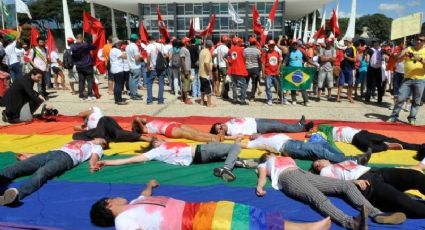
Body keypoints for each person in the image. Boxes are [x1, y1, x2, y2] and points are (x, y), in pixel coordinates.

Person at [90, 179, 332, 229]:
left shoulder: (135, 202)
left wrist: (150, 185)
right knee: (245, 225)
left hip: (199, 210)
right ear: (108, 206)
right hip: (193, 222)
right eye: (109, 199)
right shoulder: (123, 220)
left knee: (248, 213)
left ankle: (307, 228)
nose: (114, 197)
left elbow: (144, 194)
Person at [256, 153, 406, 229]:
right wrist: (260, 186)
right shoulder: (265, 163)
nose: (271, 153)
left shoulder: (284, 157)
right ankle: (351, 223)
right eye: (269, 153)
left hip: (303, 173)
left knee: (346, 185)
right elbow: (262, 176)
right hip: (287, 177)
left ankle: (376, 213)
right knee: (316, 196)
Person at [0, 138, 107, 205]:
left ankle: (16, 196)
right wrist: (30, 155)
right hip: (52, 153)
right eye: (101, 139)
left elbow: (94, 157)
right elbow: (58, 148)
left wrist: (93, 164)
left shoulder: (97, 147)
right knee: (16, 167)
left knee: (41, 173)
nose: (102, 141)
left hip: (66, 158)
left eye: (104, 142)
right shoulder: (81, 141)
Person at [312, 159, 425, 218]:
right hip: (366, 183)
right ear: (318, 165)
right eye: (320, 160)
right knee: (402, 200)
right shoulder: (324, 171)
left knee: (415, 176)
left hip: (376, 172)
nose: (324, 160)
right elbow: (333, 184)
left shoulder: (339, 162)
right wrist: (353, 182)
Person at [97, 138, 242, 181]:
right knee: (236, 146)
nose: (160, 140)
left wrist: (107, 162)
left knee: (226, 152)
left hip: (200, 157)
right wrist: (108, 162)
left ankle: (238, 162)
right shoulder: (157, 151)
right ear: (154, 144)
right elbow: (131, 159)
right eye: (157, 140)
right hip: (200, 150)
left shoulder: (163, 148)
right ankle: (227, 168)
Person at [239, 133, 371, 164]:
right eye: (251, 135)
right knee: (321, 151)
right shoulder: (256, 142)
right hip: (288, 147)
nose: (254, 134)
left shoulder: (265, 135)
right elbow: (243, 144)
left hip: (293, 142)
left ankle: (341, 157)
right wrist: (238, 139)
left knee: (324, 144)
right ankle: (354, 160)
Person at [389, 33, 425, 125]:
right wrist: (402, 54)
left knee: (416, 101)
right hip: (407, 79)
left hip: (420, 80)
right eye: (417, 39)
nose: (418, 41)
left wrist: (420, 59)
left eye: (421, 40)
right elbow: (397, 59)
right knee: (400, 98)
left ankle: (412, 118)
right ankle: (394, 116)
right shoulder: (408, 49)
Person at [317, 124, 425, 153]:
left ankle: (385, 147)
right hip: (362, 132)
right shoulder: (336, 127)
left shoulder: (329, 133)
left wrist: (338, 152)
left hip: (356, 138)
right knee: (390, 139)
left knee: (369, 148)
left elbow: (331, 143)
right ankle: (419, 147)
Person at [132, 117, 227, 142]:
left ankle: (216, 136)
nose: (141, 118)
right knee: (193, 136)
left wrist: (140, 120)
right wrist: (137, 121)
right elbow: (138, 121)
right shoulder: (146, 128)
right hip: (169, 130)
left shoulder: (149, 123)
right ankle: (212, 139)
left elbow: (142, 119)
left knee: (197, 132)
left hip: (173, 124)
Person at [210, 116, 314, 137]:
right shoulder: (232, 133)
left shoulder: (228, 124)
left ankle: (297, 125)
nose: (221, 126)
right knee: (280, 126)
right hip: (258, 127)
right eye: (219, 128)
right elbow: (242, 136)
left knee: (278, 122)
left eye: (219, 124)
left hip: (256, 120)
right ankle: (303, 128)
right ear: (220, 132)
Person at [73, 116, 150, 143]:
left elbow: (76, 133)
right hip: (104, 126)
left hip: (106, 123)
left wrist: (148, 139)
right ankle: (137, 125)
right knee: (120, 134)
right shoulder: (94, 133)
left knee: (120, 134)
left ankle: (137, 125)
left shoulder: (94, 133)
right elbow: (76, 133)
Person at [70, 34, 97, 101]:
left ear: (76, 39)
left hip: (79, 66)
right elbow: (94, 47)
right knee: (89, 81)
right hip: (87, 65)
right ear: (82, 39)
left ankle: (81, 96)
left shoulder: (72, 46)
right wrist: (86, 43)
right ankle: (89, 95)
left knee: (81, 81)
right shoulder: (85, 45)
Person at [228, 37, 249, 105]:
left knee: (234, 85)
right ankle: (242, 100)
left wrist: (228, 62)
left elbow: (226, 58)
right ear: (237, 42)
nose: (241, 43)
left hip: (233, 70)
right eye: (239, 42)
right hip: (240, 69)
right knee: (244, 85)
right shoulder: (241, 49)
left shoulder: (231, 50)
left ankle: (234, 99)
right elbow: (246, 58)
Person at [146, 36, 166, 105]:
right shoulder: (161, 45)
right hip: (160, 67)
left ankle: (150, 100)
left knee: (149, 83)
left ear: (149, 41)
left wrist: (148, 66)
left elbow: (148, 56)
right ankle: (160, 100)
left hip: (152, 67)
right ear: (155, 40)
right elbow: (166, 55)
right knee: (161, 83)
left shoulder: (149, 46)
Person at [263, 40, 284, 105]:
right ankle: (269, 99)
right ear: (268, 46)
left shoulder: (277, 53)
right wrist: (263, 73)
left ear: (274, 46)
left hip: (276, 73)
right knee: (268, 87)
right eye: (270, 46)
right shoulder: (265, 54)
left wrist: (278, 70)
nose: (271, 47)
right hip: (268, 73)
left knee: (279, 87)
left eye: (272, 45)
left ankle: (282, 99)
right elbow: (263, 64)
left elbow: (280, 62)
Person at [336, 37, 356, 103]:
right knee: (340, 83)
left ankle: (350, 97)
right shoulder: (346, 49)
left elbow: (354, 59)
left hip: (350, 69)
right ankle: (338, 97)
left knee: (350, 84)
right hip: (343, 69)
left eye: (345, 41)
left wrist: (346, 57)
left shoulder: (353, 48)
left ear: (348, 41)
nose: (344, 42)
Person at [365, 39, 385, 103]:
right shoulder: (382, 50)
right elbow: (383, 59)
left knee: (369, 84)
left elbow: (367, 60)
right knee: (379, 85)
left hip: (371, 68)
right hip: (378, 69)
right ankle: (379, 99)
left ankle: (367, 98)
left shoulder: (370, 50)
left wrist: (367, 59)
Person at [109, 37, 128, 105]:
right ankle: (119, 100)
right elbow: (125, 57)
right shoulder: (117, 50)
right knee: (119, 85)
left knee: (117, 84)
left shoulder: (112, 50)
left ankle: (117, 99)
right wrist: (124, 51)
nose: (120, 44)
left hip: (114, 69)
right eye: (118, 43)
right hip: (118, 69)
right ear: (115, 44)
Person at [125, 34, 143, 100]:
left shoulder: (127, 46)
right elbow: (136, 58)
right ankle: (134, 94)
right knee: (135, 81)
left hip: (130, 66)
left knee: (131, 80)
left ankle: (133, 93)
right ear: (136, 40)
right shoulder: (135, 47)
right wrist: (141, 57)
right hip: (135, 66)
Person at [244, 36, 262, 101]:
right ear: (255, 43)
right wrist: (260, 69)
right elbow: (259, 60)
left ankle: (243, 96)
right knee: (254, 83)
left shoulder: (245, 50)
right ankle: (252, 97)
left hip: (247, 68)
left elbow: (243, 59)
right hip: (255, 68)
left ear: (249, 43)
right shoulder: (258, 51)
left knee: (246, 82)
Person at [198, 40, 214, 107]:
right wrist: (210, 72)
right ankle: (209, 103)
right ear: (210, 46)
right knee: (208, 88)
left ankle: (202, 101)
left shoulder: (202, 51)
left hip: (201, 72)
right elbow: (206, 63)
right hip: (205, 73)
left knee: (202, 88)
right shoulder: (207, 52)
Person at [179, 37, 193, 104]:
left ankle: (183, 97)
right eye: (188, 41)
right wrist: (185, 70)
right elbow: (182, 60)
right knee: (186, 84)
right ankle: (186, 99)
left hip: (187, 69)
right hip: (185, 69)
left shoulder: (185, 49)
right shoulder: (183, 49)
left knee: (186, 83)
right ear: (185, 42)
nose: (189, 42)